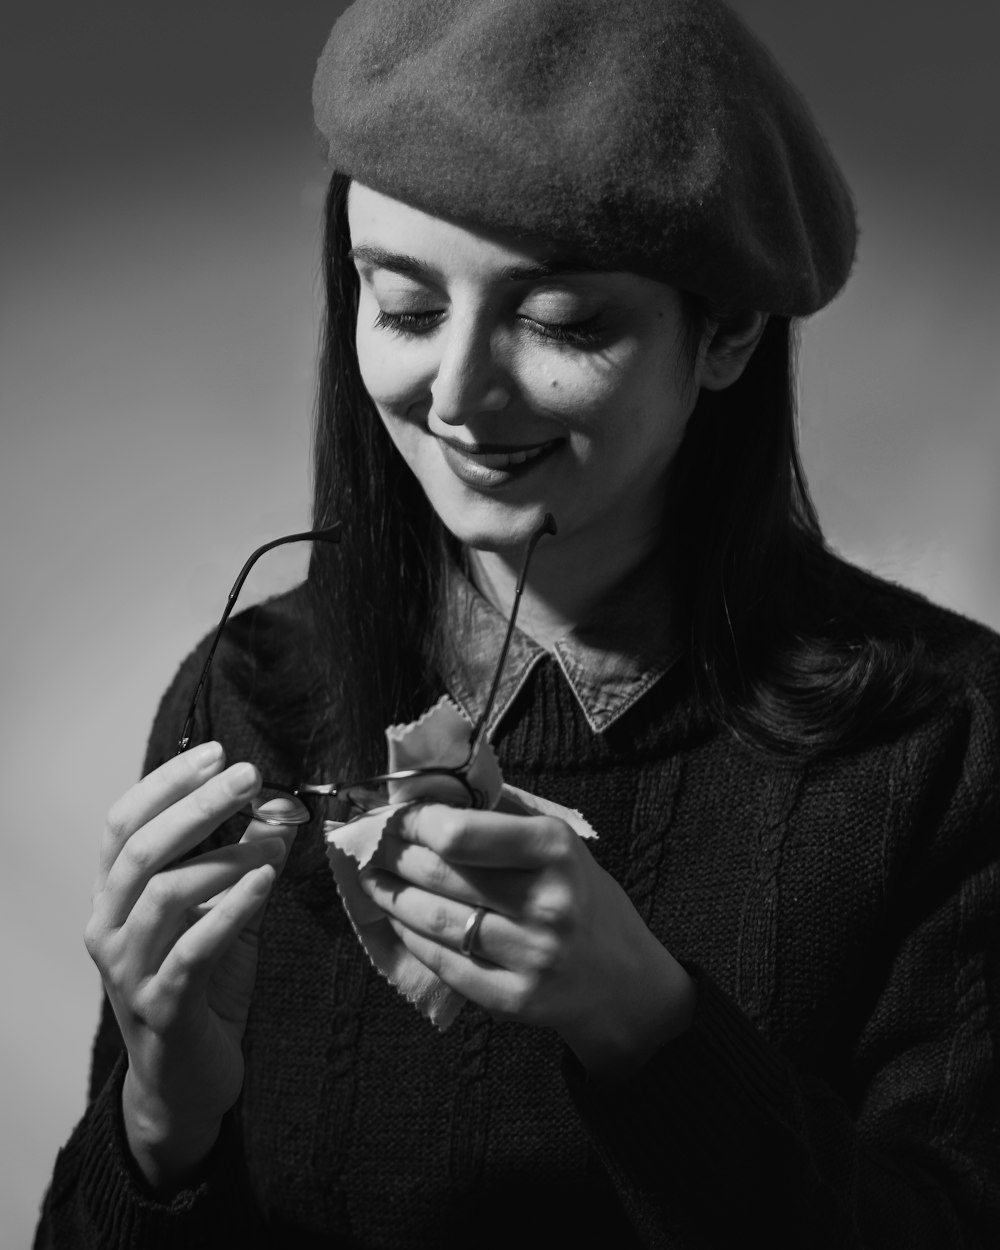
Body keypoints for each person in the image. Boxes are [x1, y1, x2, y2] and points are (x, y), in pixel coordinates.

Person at [34, 1, 1000, 1246]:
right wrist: (159, 1127)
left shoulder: (949, 745)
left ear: (730, 331)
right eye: (405, 305)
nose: (457, 396)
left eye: (560, 322)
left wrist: (647, 1023)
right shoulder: (245, 697)